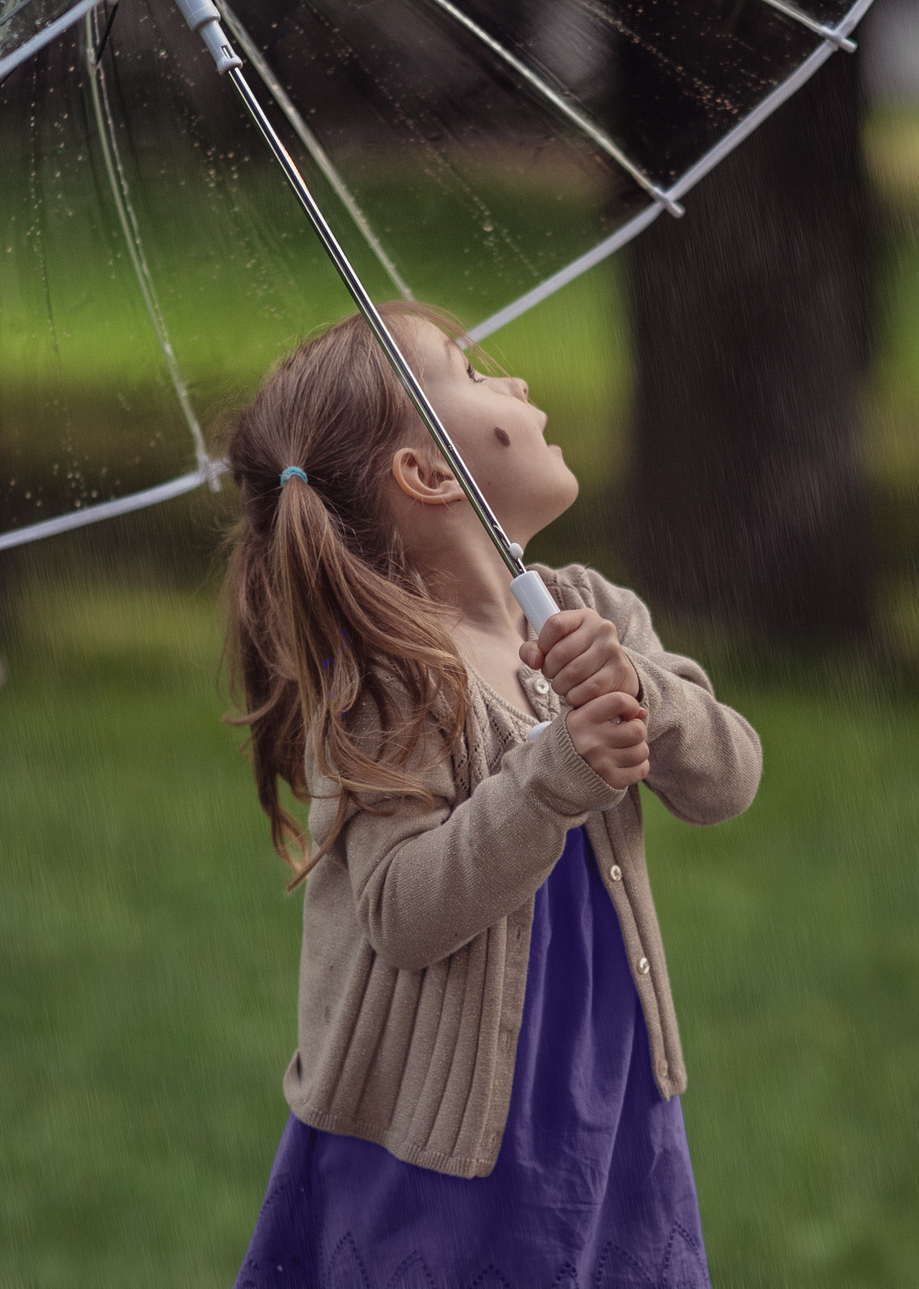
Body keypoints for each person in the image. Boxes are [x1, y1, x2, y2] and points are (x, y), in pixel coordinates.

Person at [224, 300, 761, 1289]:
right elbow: (404, 913)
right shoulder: (389, 680)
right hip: (451, 1146)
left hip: (600, 1087)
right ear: (427, 475)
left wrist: (641, 693)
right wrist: (553, 777)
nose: (514, 383)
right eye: (471, 373)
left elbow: (729, 780)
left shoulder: (594, 612)